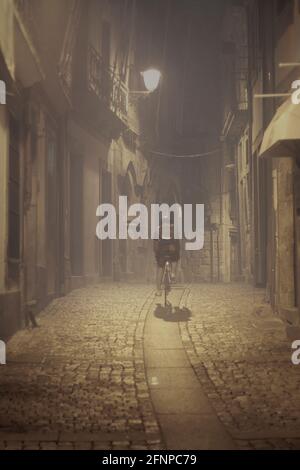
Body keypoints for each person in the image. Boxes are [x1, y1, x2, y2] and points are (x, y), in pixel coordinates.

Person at [153, 216, 180, 296]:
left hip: (162, 250)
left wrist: (156, 254)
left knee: (160, 268)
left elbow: (155, 243)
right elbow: (177, 242)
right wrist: (177, 251)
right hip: (172, 249)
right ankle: (173, 273)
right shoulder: (174, 229)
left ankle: (158, 290)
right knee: (175, 259)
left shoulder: (158, 229)